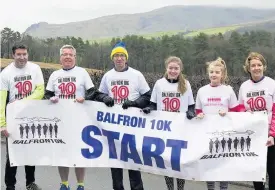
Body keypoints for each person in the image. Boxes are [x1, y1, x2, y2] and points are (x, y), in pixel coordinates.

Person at [44, 44, 107, 190]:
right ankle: (64, 184)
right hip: (60, 121)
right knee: (62, 154)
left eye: (70, 55)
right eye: (64, 54)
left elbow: (93, 91)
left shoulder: (82, 72)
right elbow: (47, 94)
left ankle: (80, 184)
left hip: (79, 120)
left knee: (79, 154)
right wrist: (51, 98)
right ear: (60, 58)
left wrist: (84, 98)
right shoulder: (55, 75)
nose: (67, 57)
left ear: (75, 57)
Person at [98, 41, 151, 190]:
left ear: (126, 58)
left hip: (132, 125)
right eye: (116, 56)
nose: (119, 58)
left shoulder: (136, 74)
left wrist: (134, 103)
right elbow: (100, 94)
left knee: (133, 162)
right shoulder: (108, 76)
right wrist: (104, 98)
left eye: (122, 55)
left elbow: (147, 96)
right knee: (115, 163)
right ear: (112, 58)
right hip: (113, 125)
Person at [142, 56, 196, 190]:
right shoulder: (159, 84)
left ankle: (180, 188)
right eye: (170, 68)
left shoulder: (186, 84)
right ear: (166, 68)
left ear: (180, 69)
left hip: (180, 129)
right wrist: (149, 109)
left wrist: (190, 113)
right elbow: (153, 104)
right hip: (164, 130)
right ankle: (170, 188)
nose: (173, 71)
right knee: (167, 162)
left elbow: (191, 105)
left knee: (179, 162)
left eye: (176, 68)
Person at [0, 44, 44, 190]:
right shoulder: (5, 73)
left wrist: (22, 101)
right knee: (12, 154)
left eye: (24, 54)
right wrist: (2, 124)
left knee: (30, 152)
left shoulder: (35, 69)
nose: (22, 57)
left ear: (28, 54)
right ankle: (10, 185)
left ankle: (30, 182)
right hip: (13, 118)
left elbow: (40, 92)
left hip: (31, 117)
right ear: (13, 55)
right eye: (19, 54)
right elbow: (1, 101)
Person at [195, 57, 239, 190]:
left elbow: (236, 111)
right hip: (207, 135)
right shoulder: (202, 91)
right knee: (209, 165)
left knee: (223, 166)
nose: (214, 75)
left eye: (217, 72)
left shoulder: (228, 90)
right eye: (211, 72)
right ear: (208, 73)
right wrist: (199, 115)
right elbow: (198, 110)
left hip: (224, 134)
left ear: (222, 74)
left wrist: (227, 112)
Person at [238, 52, 275, 190]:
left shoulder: (272, 84)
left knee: (272, 170)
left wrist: (272, 135)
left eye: (259, 65)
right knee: (256, 171)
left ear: (264, 66)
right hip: (253, 136)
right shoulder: (244, 86)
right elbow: (239, 108)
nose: (256, 68)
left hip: (270, 135)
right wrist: (244, 112)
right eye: (253, 65)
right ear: (248, 68)